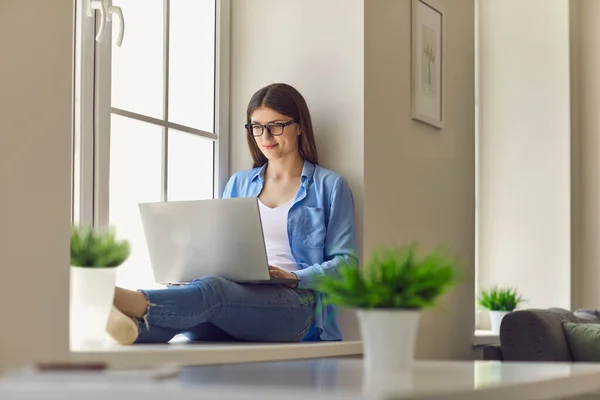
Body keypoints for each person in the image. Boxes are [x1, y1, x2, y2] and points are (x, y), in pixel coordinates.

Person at [107, 83, 357, 345]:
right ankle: (127, 326)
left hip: (295, 306)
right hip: (235, 298)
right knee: (192, 312)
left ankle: (118, 298)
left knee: (213, 292)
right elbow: (219, 250)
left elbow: (347, 266)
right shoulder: (239, 183)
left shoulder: (329, 186)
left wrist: (294, 278)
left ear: (299, 126)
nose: (265, 137)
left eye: (276, 126)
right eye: (256, 127)